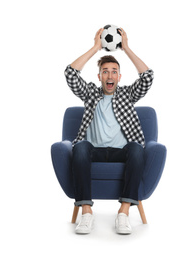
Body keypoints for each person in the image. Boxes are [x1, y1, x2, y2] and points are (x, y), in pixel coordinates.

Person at [64, 28, 154, 234]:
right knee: (79, 147)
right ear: (99, 76)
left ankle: (123, 213)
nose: (110, 75)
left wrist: (127, 48)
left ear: (120, 76)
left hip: (120, 152)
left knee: (137, 149)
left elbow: (148, 77)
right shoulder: (90, 94)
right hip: (93, 150)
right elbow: (70, 73)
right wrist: (96, 48)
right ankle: (86, 212)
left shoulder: (127, 95)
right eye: (106, 71)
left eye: (114, 71)